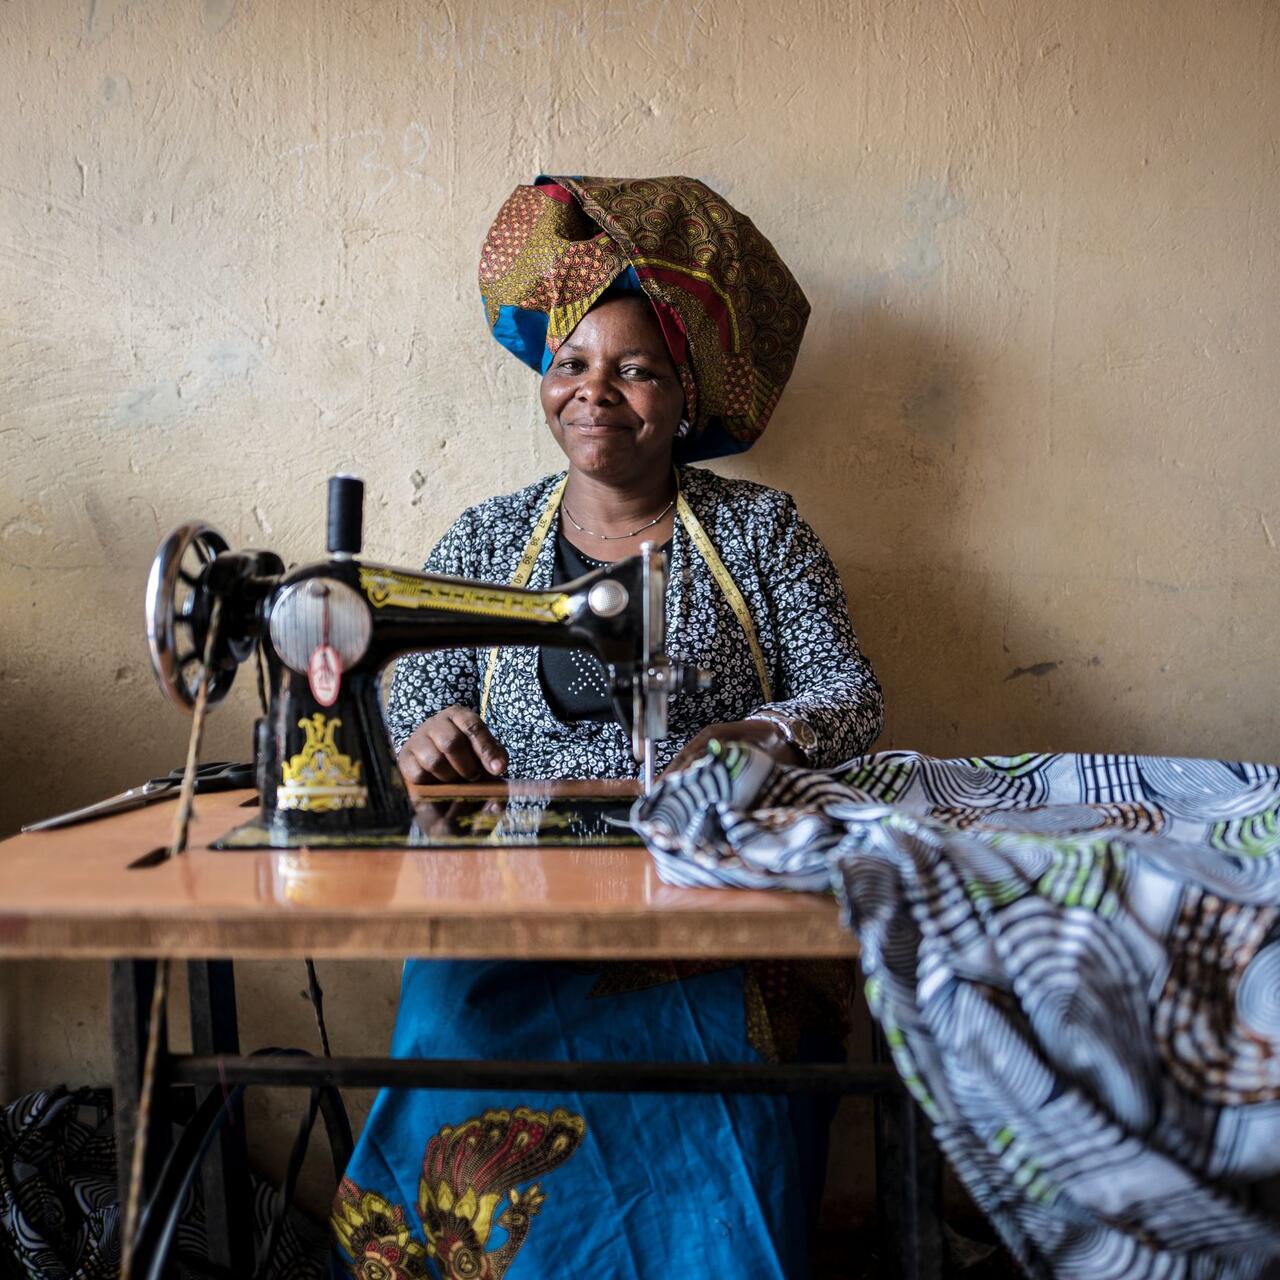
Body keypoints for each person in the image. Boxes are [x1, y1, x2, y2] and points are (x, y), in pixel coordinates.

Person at [330, 176, 884, 1280]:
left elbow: (848, 693)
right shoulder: (487, 537)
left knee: (747, 1048)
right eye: (571, 364)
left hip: (720, 884)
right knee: (449, 1014)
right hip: (519, 894)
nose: (595, 393)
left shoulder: (758, 528)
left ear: (683, 396)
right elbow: (412, 683)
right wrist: (427, 723)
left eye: (633, 368)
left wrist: (756, 737)